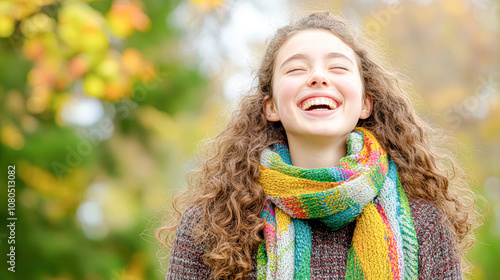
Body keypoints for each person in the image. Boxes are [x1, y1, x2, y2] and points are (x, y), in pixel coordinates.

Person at [158, 11, 479, 279]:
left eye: (337, 67)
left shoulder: (424, 222)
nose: (318, 77)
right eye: (296, 69)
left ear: (366, 103)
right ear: (270, 106)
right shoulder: (212, 224)